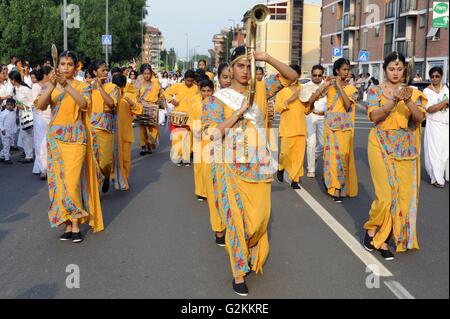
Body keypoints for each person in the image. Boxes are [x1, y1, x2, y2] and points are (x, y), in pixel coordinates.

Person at [202, 45, 297, 296]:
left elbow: (291, 77)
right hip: (227, 166)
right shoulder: (217, 99)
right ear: (230, 68)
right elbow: (211, 134)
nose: (245, 71)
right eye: (241, 65)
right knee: (235, 220)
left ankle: (248, 247)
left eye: (250, 66)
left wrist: (266, 56)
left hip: (258, 163)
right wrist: (238, 113)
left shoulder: (261, 90)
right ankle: (238, 272)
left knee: (259, 220)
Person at [362, 51, 427, 260]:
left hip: (405, 149)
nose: (396, 72)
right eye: (392, 69)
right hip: (379, 144)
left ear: (404, 70)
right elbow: (374, 116)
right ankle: (373, 230)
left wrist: (407, 101)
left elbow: (419, 119)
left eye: (399, 69)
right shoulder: (375, 91)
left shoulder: (414, 93)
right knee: (385, 196)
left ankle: (386, 234)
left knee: (402, 197)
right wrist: (393, 101)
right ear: (385, 70)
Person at [35, 50, 104, 243]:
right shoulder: (51, 85)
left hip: (76, 139)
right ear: (58, 66)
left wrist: (66, 85)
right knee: (58, 184)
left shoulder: (82, 86)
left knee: (72, 183)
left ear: (76, 67)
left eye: (69, 64)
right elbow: (40, 105)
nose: (65, 67)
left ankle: (76, 224)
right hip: (55, 139)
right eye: (62, 64)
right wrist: (53, 85)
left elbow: (83, 104)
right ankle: (67, 224)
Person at [309, 58, 359, 203]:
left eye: (348, 69)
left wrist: (339, 86)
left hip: (345, 128)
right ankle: (334, 187)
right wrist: (324, 86)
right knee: (331, 158)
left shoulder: (352, 89)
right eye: (344, 69)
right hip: (330, 127)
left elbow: (348, 105)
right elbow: (312, 98)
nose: (347, 72)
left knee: (342, 158)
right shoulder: (329, 86)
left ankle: (338, 186)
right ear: (337, 70)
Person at [88, 60, 120, 193]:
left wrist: (100, 88)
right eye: (103, 70)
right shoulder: (88, 87)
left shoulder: (113, 87)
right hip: (91, 128)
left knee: (105, 161)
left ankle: (107, 176)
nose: (106, 72)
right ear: (95, 72)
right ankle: (95, 189)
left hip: (106, 128)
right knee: (93, 161)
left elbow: (112, 104)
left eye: (107, 70)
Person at [275, 64, 307, 189]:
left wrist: (312, 102)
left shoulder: (303, 89)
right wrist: (290, 99)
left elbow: (307, 110)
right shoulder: (282, 92)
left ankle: (295, 179)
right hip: (287, 128)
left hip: (300, 128)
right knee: (285, 154)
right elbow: (278, 108)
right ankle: (281, 167)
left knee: (298, 156)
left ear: (298, 75)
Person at [112, 73, 143, 191]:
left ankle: (123, 180)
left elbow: (139, 110)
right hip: (111, 133)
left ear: (124, 86)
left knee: (125, 160)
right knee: (110, 159)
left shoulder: (128, 96)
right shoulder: (109, 95)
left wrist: (131, 102)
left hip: (125, 134)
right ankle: (111, 177)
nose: (119, 89)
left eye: (120, 86)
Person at [164, 70, 199, 166]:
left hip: (190, 116)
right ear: (184, 79)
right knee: (178, 137)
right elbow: (166, 93)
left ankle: (186, 158)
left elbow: (199, 98)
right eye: (188, 80)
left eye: (191, 81)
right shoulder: (178, 86)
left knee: (188, 137)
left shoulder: (196, 88)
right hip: (178, 115)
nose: (189, 83)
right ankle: (177, 157)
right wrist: (172, 100)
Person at [423, 66, 449, 188]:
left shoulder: (447, 88)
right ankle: (437, 178)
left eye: (437, 76)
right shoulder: (427, 91)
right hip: (434, 124)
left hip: (446, 123)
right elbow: (429, 109)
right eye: (432, 76)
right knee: (435, 152)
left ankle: (445, 175)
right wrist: (444, 103)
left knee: (445, 152)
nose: (435, 79)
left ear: (441, 76)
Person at [300, 65, 327, 178]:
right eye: (314, 75)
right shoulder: (305, 86)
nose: (317, 77)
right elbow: (303, 101)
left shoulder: (327, 86)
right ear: (311, 74)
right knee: (311, 142)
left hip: (323, 117)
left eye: (319, 75)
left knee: (323, 143)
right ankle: (311, 169)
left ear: (322, 75)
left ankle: (314, 157)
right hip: (310, 116)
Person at [190, 79, 214, 201]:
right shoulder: (195, 106)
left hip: (212, 140)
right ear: (200, 91)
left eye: (209, 91)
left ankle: (211, 190)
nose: (206, 93)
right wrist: (198, 130)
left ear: (213, 91)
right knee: (199, 167)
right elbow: (191, 122)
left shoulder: (217, 106)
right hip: (199, 140)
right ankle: (200, 191)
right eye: (204, 91)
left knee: (210, 167)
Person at [31, 66, 52, 179]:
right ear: (46, 75)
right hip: (40, 116)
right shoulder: (36, 86)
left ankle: (49, 166)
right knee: (41, 142)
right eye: (51, 73)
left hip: (50, 115)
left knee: (49, 142)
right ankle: (43, 168)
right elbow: (37, 104)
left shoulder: (52, 85)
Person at [9, 70, 34, 164]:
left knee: (28, 135)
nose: (10, 81)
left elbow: (33, 103)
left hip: (28, 115)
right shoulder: (15, 89)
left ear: (14, 80)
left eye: (10, 80)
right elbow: (13, 98)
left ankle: (29, 156)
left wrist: (23, 107)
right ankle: (28, 154)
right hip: (21, 115)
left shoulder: (26, 89)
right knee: (24, 136)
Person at [137, 64, 161, 155]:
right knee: (142, 128)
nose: (147, 75)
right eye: (145, 73)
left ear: (151, 74)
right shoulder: (139, 84)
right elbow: (135, 95)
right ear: (142, 74)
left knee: (153, 128)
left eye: (148, 73)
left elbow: (161, 95)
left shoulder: (156, 84)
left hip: (153, 109)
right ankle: (143, 147)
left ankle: (150, 144)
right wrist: (139, 101)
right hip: (142, 108)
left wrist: (158, 103)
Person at [0, 98, 17, 164]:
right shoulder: (3, 113)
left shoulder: (14, 112)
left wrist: (14, 129)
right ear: (6, 105)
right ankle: (7, 159)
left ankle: (1, 156)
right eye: (8, 105)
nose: (9, 106)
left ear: (14, 106)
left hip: (11, 132)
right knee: (6, 145)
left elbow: (14, 122)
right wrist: (2, 129)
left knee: (8, 145)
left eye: (11, 105)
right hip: (4, 132)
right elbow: (0, 122)